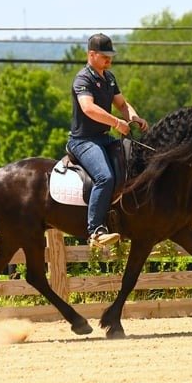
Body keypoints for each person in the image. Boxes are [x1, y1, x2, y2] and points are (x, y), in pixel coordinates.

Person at [67, 33, 149, 247]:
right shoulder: (83, 79)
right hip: (83, 141)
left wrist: (133, 117)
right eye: (104, 56)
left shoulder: (109, 78)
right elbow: (88, 108)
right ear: (91, 54)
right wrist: (116, 122)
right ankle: (95, 231)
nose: (109, 59)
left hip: (103, 138)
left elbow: (122, 104)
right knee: (105, 177)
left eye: (110, 55)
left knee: (136, 162)